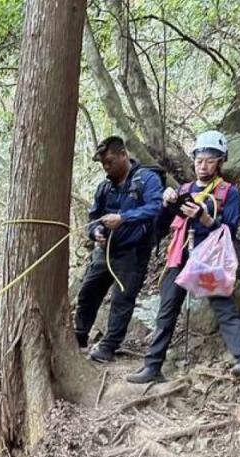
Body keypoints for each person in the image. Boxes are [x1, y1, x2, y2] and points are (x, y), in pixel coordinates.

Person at [127, 130, 240, 384]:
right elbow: (161, 227)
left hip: (209, 257)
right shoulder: (184, 190)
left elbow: (229, 230)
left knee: (223, 306)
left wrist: (204, 217)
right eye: (199, 160)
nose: (203, 165)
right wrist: (166, 205)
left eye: (210, 160)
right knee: (167, 310)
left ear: (220, 162)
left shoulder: (229, 192)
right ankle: (153, 366)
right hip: (181, 254)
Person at [74, 136, 164, 363]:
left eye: (110, 161)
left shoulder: (147, 179)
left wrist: (123, 218)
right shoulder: (104, 188)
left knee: (122, 299)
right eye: (103, 163)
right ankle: (80, 336)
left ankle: (108, 346)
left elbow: (155, 206)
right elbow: (94, 217)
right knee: (88, 292)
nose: (106, 167)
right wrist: (95, 232)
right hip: (105, 251)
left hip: (133, 252)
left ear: (124, 155)